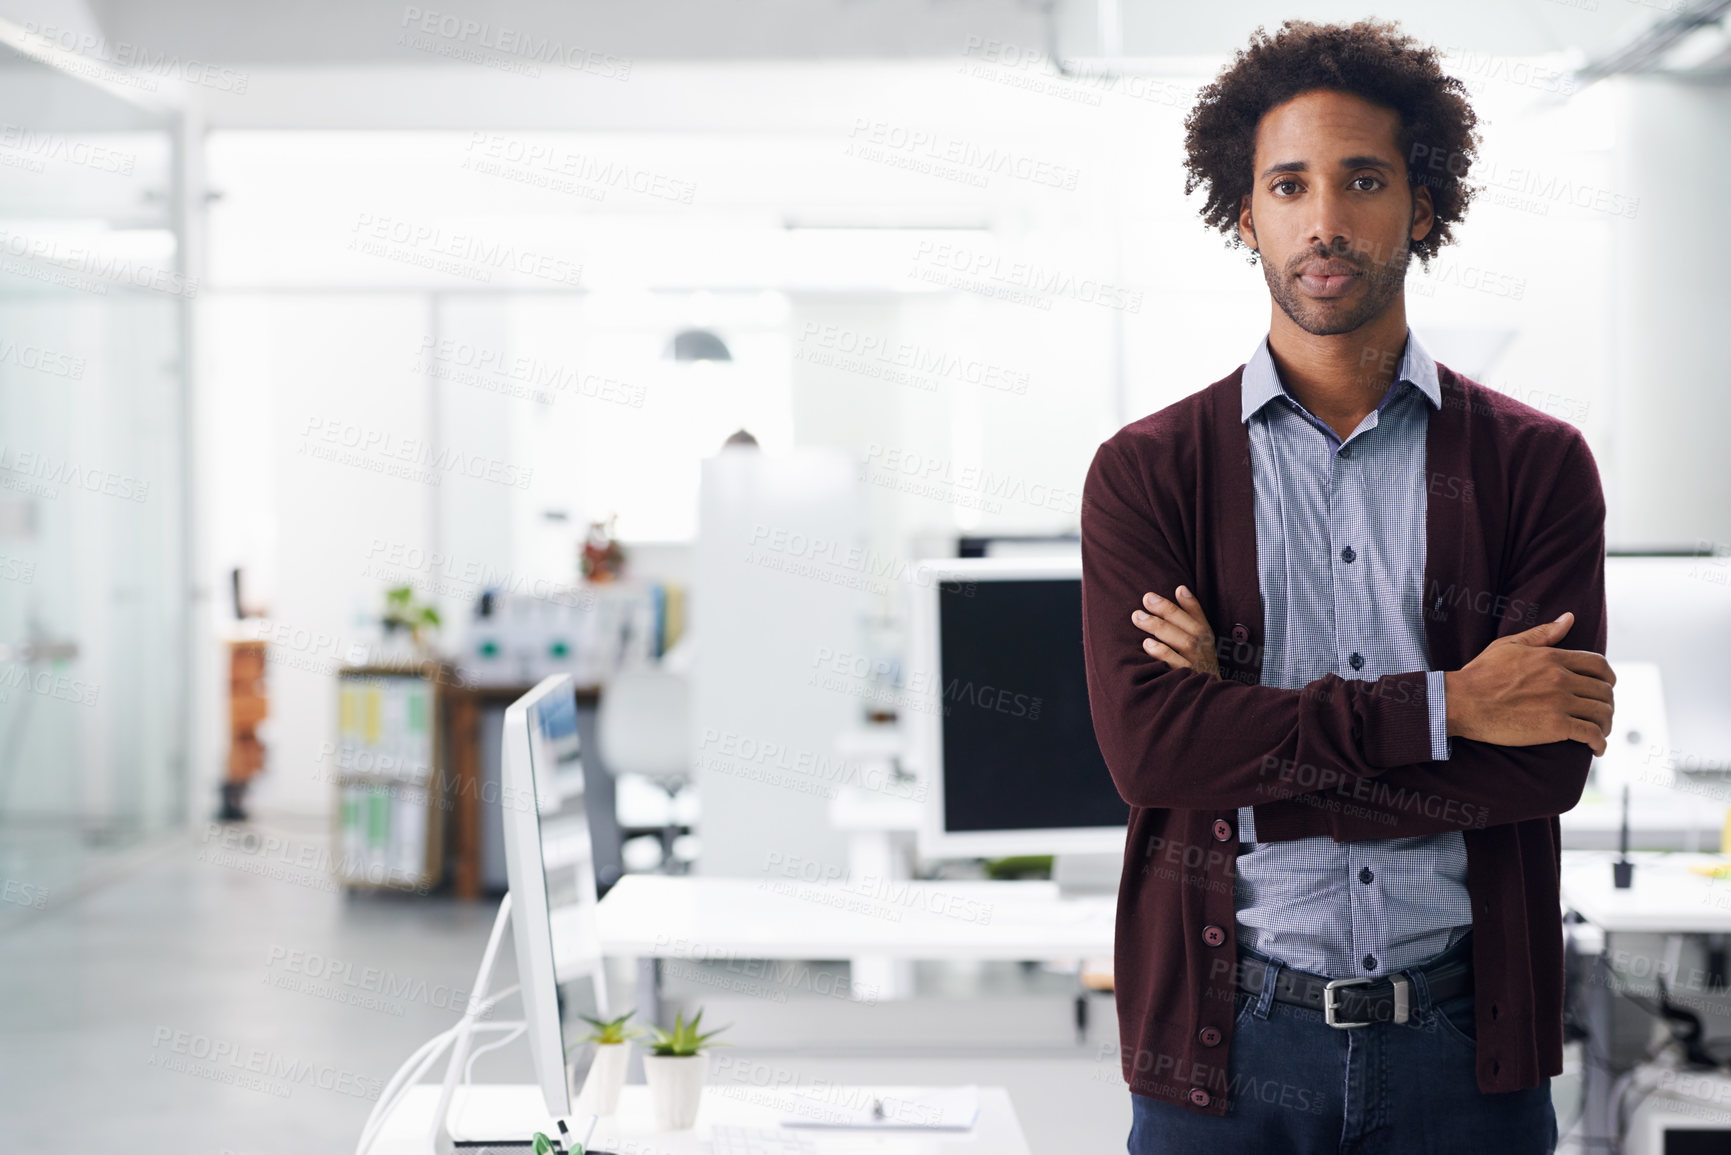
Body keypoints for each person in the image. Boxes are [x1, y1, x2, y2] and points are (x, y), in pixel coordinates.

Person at [1078, 19, 1614, 1154]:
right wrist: (1453, 709)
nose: (1325, 221)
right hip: (1225, 1056)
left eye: (1363, 180)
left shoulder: (1536, 466)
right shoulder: (1149, 473)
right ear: (1245, 213)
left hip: (1467, 1058)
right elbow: (1152, 759)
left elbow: (1549, 765)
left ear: (1421, 206)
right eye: (1289, 185)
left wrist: (1243, 736)